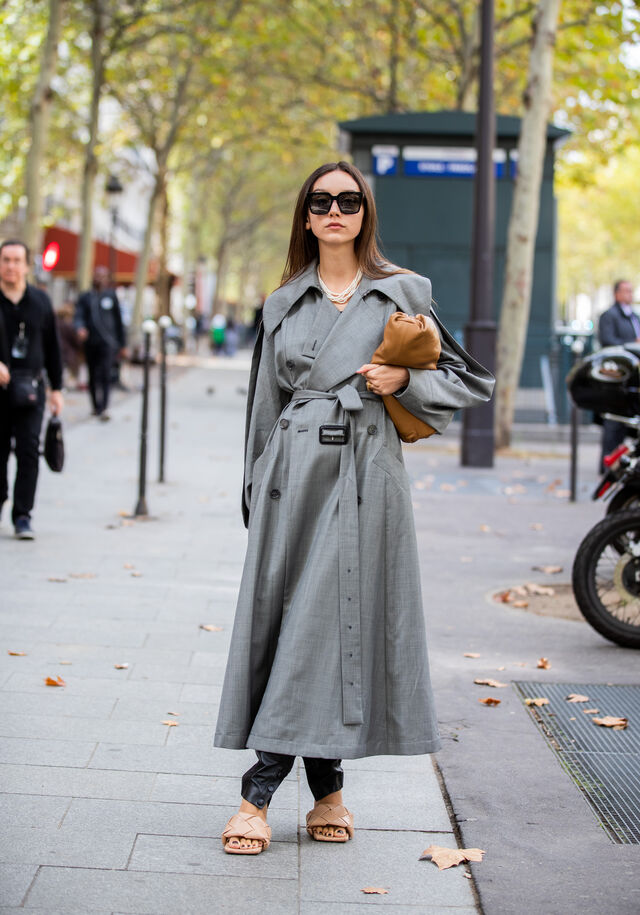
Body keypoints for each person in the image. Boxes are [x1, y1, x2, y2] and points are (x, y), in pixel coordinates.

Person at [214, 162, 494, 854]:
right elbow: (263, 408)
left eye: (348, 200)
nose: (334, 210)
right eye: (321, 201)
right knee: (306, 624)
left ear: (365, 212)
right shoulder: (283, 303)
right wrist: (254, 489)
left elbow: (471, 381)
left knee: (327, 620)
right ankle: (329, 791)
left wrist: (405, 380)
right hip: (293, 479)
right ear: (306, 217)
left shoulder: (402, 292)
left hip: (368, 474)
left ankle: (258, 793)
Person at [0, 239, 64, 539]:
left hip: (31, 390)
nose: (10, 266)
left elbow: (53, 347)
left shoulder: (40, 301)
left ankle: (23, 515)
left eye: (16, 260)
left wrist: (57, 388)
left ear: (27, 266)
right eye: (5, 260)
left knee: (28, 451)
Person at [74, 266, 126, 421]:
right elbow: (79, 316)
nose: (99, 279)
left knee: (105, 373)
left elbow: (119, 321)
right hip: (91, 342)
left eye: (102, 276)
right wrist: (80, 328)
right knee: (92, 375)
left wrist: (122, 344)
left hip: (108, 343)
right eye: (97, 275)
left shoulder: (111, 296)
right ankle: (95, 406)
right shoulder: (86, 297)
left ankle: (104, 407)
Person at [597, 279, 638, 468]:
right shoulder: (609, 316)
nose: (630, 294)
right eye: (626, 290)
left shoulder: (634, 316)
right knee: (613, 425)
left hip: (632, 379)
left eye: (631, 290)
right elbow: (607, 341)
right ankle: (607, 467)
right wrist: (632, 344)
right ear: (616, 293)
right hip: (616, 379)